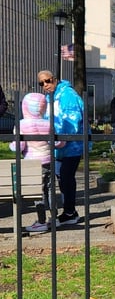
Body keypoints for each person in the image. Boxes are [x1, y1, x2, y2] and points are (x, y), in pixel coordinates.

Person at [8, 92, 66, 232]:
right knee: (51, 190)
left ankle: (41, 221)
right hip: (48, 161)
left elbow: (20, 146)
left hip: (32, 164)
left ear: (25, 107)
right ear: (43, 107)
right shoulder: (48, 124)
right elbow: (59, 143)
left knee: (37, 193)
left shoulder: (21, 125)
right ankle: (54, 218)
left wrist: (11, 145)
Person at [38, 70, 86, 226]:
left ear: (55, 79)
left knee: (66, 177)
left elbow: (72, 119)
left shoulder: (67, 94)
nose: (45, 85)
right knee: (61, 178)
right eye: (42, 83)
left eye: (48, 81)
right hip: (58, 147)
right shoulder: (50, 97)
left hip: (72, 145)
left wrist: (61, 137)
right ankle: (69, 211)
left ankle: (70, 212)